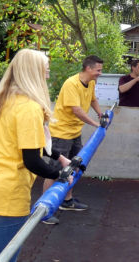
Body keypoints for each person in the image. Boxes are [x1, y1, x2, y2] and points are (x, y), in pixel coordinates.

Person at [0, 49, 72, 261]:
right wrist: (61, 174)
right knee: (6, 257)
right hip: (7, 193)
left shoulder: (7, 99)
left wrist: (59, 157)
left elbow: (32, 143)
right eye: (45, 70)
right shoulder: (29, 108)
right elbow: (32, 160)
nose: (48, 73)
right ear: (33, 72)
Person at [42, 55, 105, 224]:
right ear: (88, 69)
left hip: (75, 131)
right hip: (61, 133)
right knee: (54, 171)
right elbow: (76, 109)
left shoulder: (90, 82)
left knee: (75, 167)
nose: (100, 73)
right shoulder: (71, 84)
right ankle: (43, 209)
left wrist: (100, 113)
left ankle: (67, 200)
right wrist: (95, 124)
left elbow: (92, 99)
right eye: (98, 70)